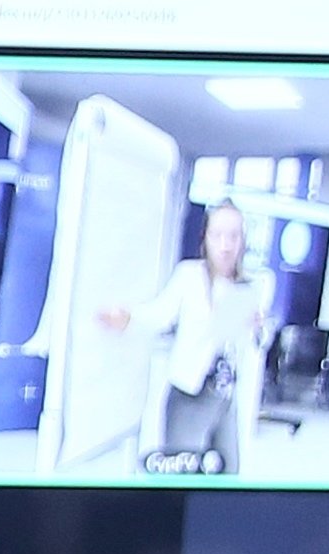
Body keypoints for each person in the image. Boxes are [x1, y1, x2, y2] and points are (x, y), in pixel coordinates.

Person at [112, 191, 265, 477]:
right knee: (183, 476)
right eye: (218, 235)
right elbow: (160, 314)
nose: (226, 245)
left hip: (225, 398)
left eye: (233, 236)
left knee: (229, 475)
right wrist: (130, 317)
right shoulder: (190, 276)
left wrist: (257, 329)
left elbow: (251, 343)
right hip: (190, 393)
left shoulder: (248, 285)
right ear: (206, 238)